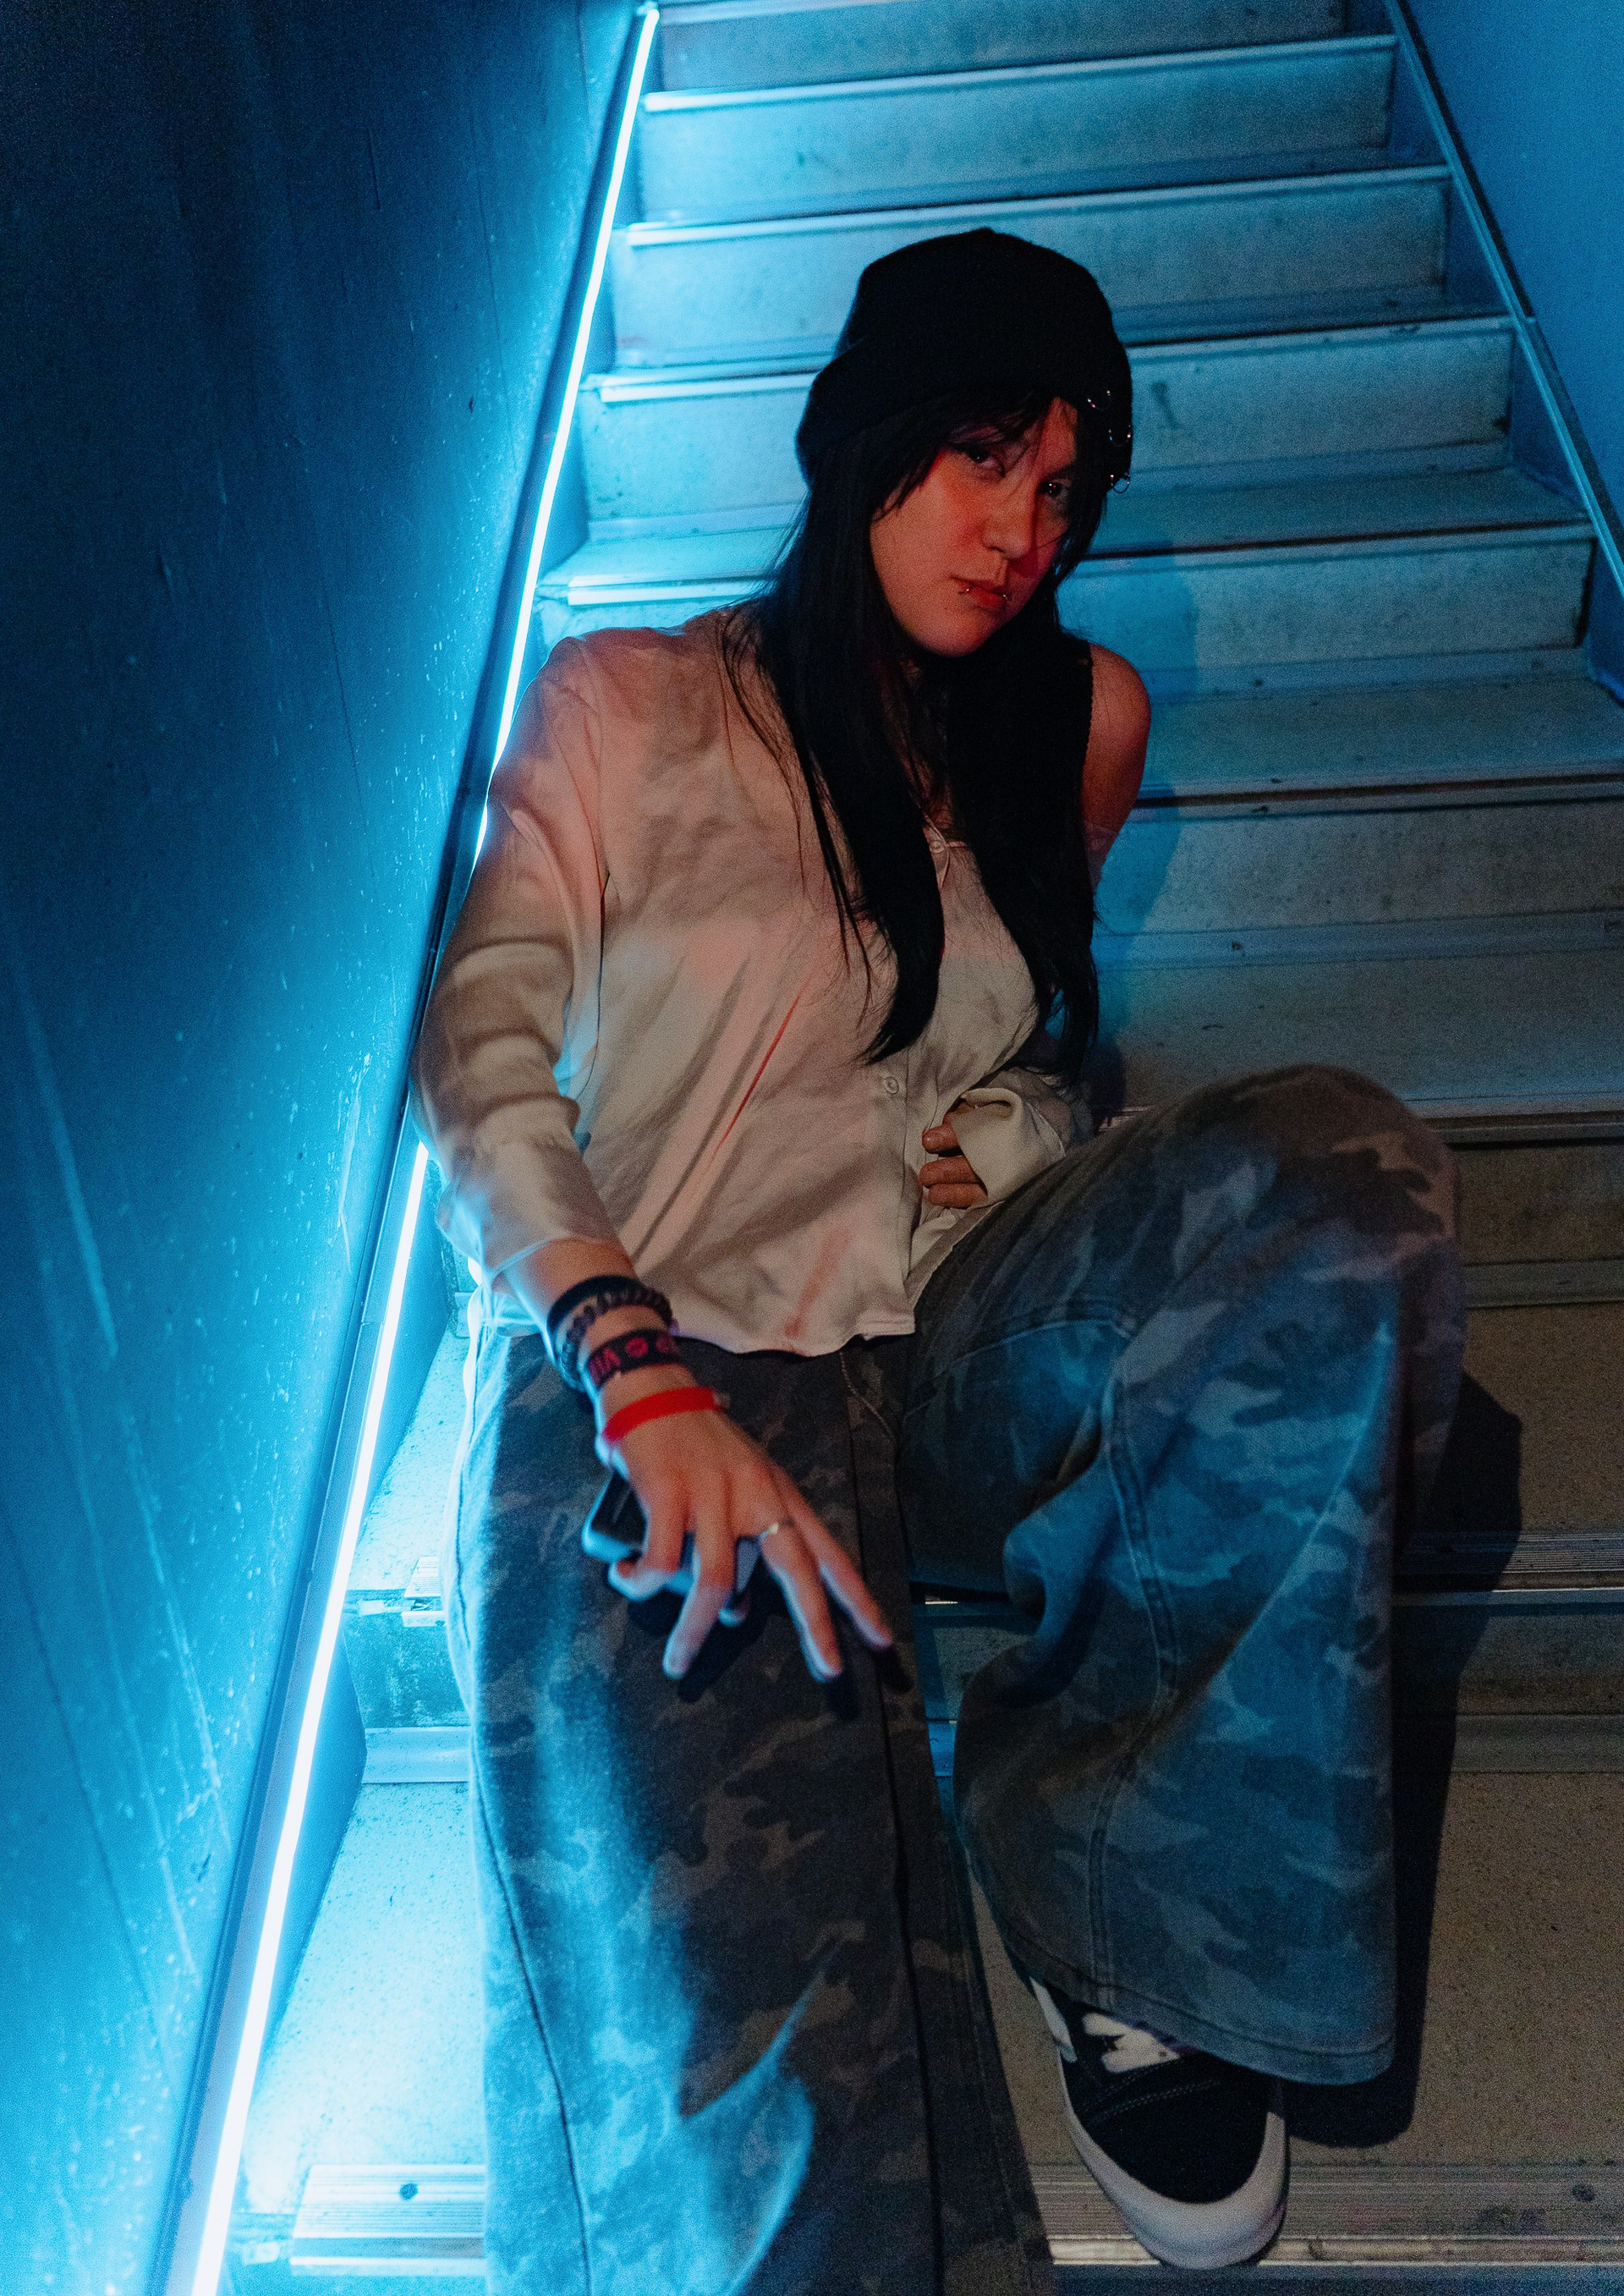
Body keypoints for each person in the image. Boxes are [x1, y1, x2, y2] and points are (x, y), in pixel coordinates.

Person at [411, 229, 1464, 2294]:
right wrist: (626, 1358)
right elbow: (478, 1043)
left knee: (1345, 1188)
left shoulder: (1075, 724)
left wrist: (995, 1169)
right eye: (983, 458)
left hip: (959, 1341)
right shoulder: (627, 702)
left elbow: (1005, 1063)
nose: (1023, 533)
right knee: (786, 2115)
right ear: (867, 441)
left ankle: (1127, 1915)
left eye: (1066, 487)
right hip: (677, 1369)